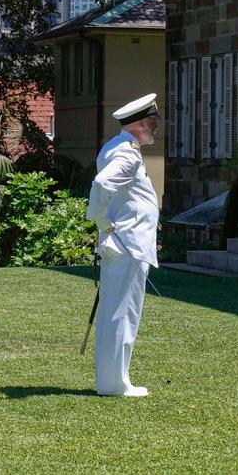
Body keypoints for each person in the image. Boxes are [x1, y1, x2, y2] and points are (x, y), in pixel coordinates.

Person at [86, 93, 161, 397]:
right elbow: (103, 184)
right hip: (128, 241)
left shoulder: (116, 146)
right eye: (152, 123)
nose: (155, 129)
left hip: (123, 241)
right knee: (123, 313)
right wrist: (101, 220)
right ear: (140, 124)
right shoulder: (128, 153)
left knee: (115, 311)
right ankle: (115, 383)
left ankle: (112, 380)